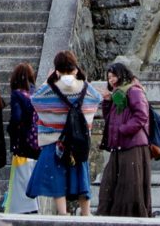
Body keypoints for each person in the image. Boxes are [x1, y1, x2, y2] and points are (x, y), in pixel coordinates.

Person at [26, 49, 101, 216]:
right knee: (81, 173)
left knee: (57, 176)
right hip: (78, 140)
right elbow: (96, 99)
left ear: (56, 69)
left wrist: (48, 80)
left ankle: (62, 212)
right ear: (75, 68)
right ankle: (86, 212)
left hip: (55, 139)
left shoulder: (50, 88)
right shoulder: (84, 87)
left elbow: (36, 100)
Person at [97, 60, 152, 217]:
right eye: (109, 78)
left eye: (114, 76)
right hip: (119, 145)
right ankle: (110, 215)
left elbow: (141, 115)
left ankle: (130, 216)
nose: (111, 80)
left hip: (133, 145)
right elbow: (110, 118)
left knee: (129, 185)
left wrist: (123, 129)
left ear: (122, 75)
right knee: (109, 182)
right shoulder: (118, 93)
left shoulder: (134, 91)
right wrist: (107, 102)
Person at [3, 61, 39, 214]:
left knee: (21, 176)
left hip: (22, 141)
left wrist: (10, 128)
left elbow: (17, 117)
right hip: (36, 140)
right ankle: (33, 205)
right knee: (31, 175)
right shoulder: (35, 92)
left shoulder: (17, 94)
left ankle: (25, 208)